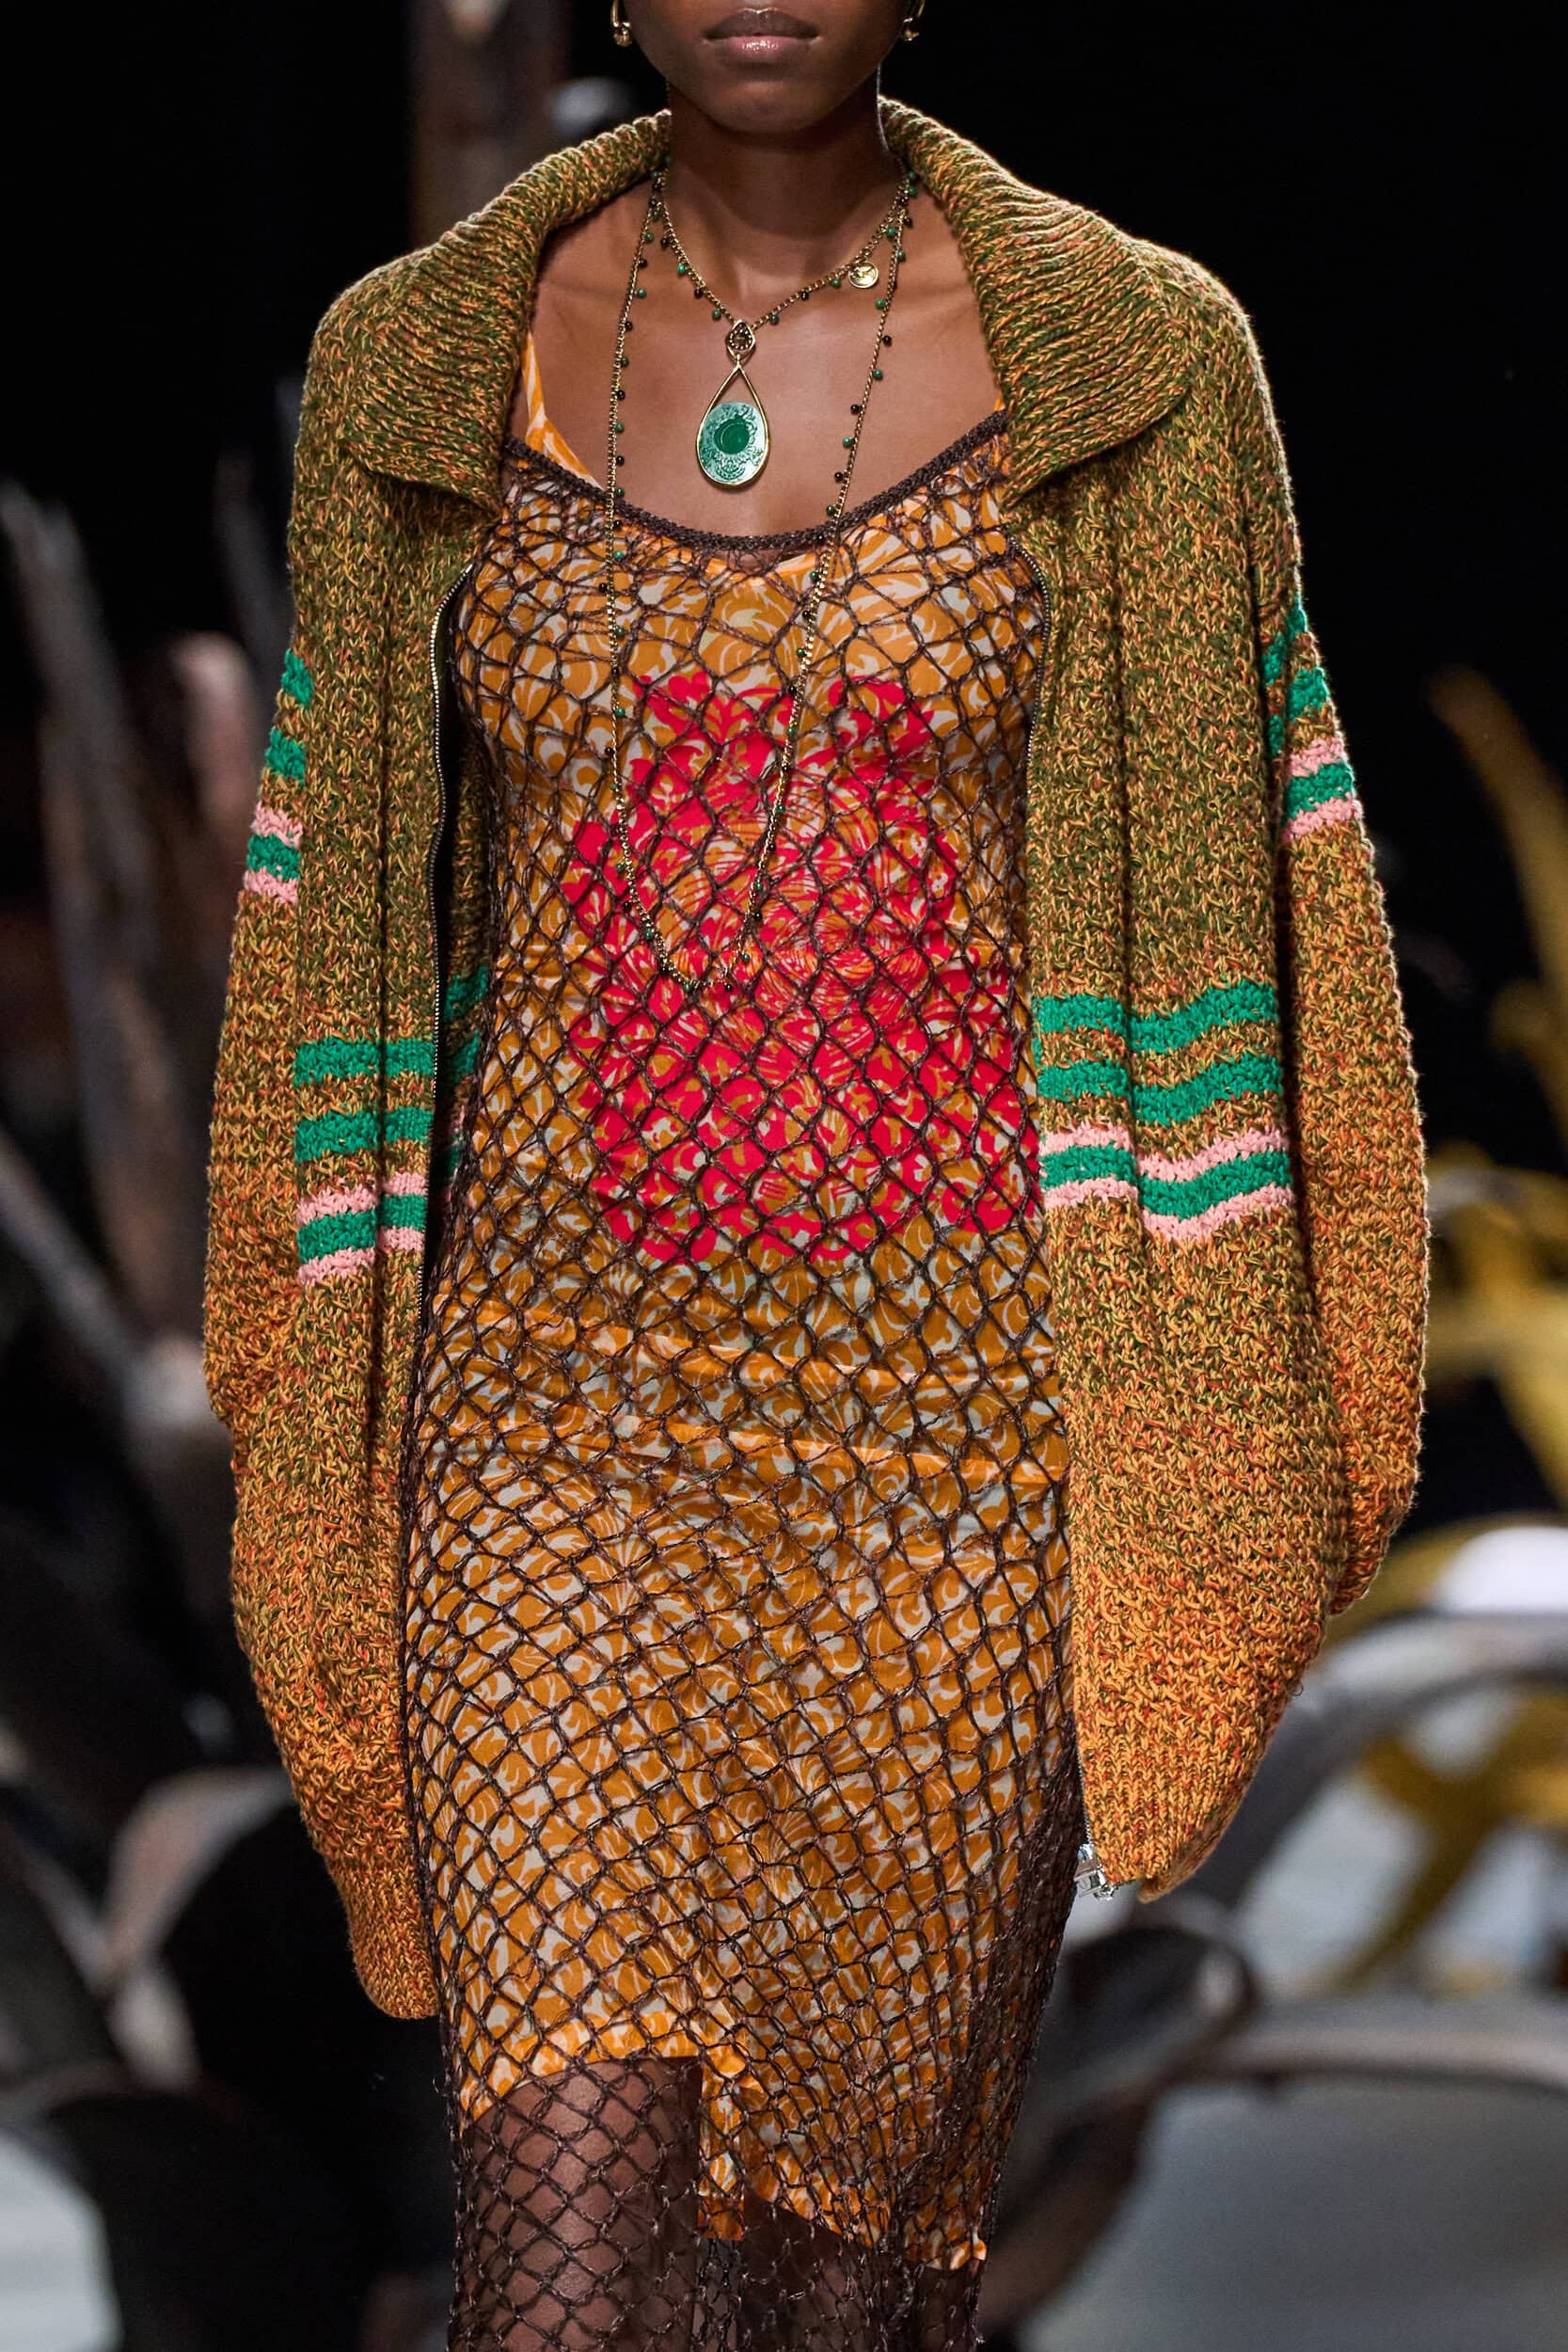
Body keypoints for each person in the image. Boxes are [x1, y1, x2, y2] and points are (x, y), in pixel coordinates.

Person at [202, 2, 1428, 2344]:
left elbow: (1280, 924)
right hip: (552, 1422)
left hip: (973, 1449)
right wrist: (303, 1376)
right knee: (567, 2275)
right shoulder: (422, 366)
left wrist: (1261, 1421)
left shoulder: (1138, 364)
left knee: (838, 2291)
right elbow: (320, 937)